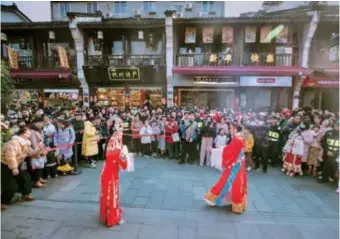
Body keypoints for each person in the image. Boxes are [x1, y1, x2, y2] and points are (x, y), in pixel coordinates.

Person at [204, 124, 247, 214]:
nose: (230, 130)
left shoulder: (236, 139)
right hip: (239, 164)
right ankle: (236, 203)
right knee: (237, 183)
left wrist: (213, 150)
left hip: (234, 165)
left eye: (231, 128)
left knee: (226, 181)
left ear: (235, 129)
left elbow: (228, 151)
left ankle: (215, 199)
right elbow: (230, 150)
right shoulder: (241, 138)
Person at [1, 126, 43, 210]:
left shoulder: (26, 143)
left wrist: (39, 150)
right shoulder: (14, 143)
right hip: (5, 164)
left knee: (25, 178)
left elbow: (30, 153)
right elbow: (10, 156)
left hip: (17, 163)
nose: (29, 134)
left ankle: (25, 195)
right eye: (27, 133)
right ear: (22, 134)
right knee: (10, 186)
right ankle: (2, 202)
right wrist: (14, 168)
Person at [100, 120, 128, 227]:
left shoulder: (113, 140)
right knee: (112, 194)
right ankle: (112, 218)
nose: (122, 132)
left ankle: (107, 216)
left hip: (109, 169)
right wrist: (125, 157)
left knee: (108, 193)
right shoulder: (115, 141)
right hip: (111, 171)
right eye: (121, 129)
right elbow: (118, 157)